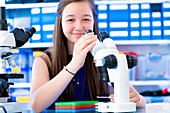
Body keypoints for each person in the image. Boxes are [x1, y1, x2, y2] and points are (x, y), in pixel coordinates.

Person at [30, 0, 146, 112]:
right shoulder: (44, 61)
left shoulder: (102, 56)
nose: (79, 27)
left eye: (85, 19)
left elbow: (134, 97)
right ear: (60, 22)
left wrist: (138, 100)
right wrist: (74, 65)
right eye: (70, 20)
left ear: (94, 21)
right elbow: (36, 106)